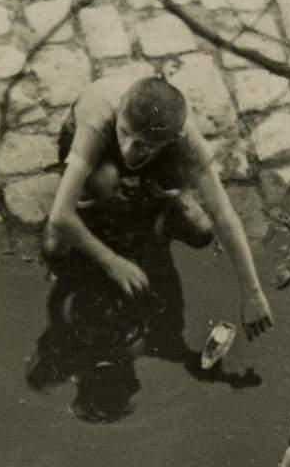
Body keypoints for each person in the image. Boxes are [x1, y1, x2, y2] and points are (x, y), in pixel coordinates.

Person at [27, 76, 272, 420]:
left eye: (143, 144)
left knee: (202, 230)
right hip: (95, 147)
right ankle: (98, 204)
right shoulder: (101, 121)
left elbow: (224, 216)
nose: (130, 148)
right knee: (84, 208)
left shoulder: (184, 139)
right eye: (126, 134)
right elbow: (59, 218)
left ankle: (162, 197)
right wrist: (112, 262)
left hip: (157, 157)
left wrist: (253, 293)